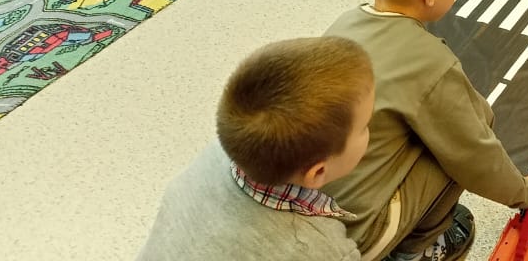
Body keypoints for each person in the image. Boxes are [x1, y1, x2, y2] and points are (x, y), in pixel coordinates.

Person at [324, 0, 528, 261]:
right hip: (361, 235)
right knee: (472, 124)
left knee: (434, 127)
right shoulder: (429, 63)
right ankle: (417, 250)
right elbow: (474, 153)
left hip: (320, 208)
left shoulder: (345, 24)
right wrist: (527, 192)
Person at [137, 37, 376, 260]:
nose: (370, 127)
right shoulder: (320, 248)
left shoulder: (221, 152)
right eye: (365, 126)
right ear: (317, 172)